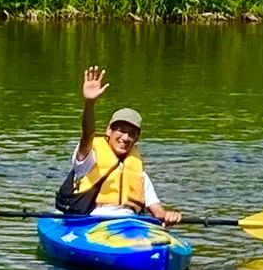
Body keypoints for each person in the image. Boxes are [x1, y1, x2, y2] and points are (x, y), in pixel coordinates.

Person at [55, 64, 181, 223]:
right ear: (109, 131)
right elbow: (87, 133)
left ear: (136, 139)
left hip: (131, 226)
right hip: (90, 223)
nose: (125, 137)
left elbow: (157, 210)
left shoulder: (139, 173)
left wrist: (168, 216)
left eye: (132, 134)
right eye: (121, 130)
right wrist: (89, 104)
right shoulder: (88, 160)